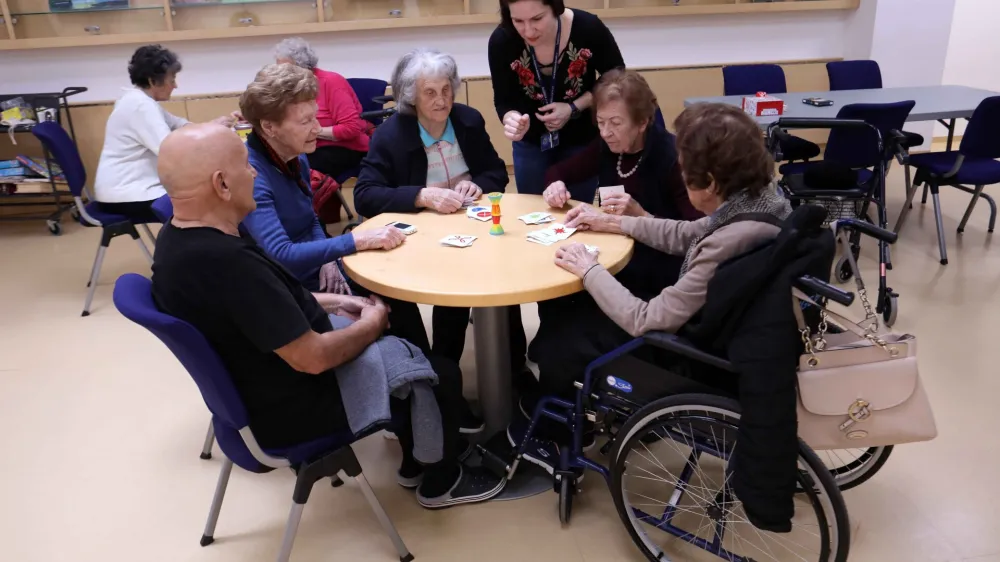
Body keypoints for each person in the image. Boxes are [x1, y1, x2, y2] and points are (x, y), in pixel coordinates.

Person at [150, 123, 505, 508]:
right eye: (244, 165)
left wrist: (334, 303)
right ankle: (442, 480)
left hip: (257, 386)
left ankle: (415, 461)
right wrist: (372, 324)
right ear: (221, 184)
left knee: (398, 344)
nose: (253, 172)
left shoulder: (177, 239)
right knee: (439, 373)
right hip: (294, 406)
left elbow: (263, 308)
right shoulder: (230, 264)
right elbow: (314, 357)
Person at [511, 103, 793, 473]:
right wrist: (616, 224)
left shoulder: (729, 242)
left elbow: (646, 319)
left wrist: (590, 269)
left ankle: (554, 434)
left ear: (708, 183)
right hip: (732, 332)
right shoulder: (763, 203)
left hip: (688, 354)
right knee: (577, 310)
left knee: (562, 330)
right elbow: (688, 232)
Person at [354, 48, 534, 395]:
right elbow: (365, 194)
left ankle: (514, 365)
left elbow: (496, 171)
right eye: (430, 93)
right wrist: (421, 196)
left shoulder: (468, 121)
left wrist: (477, 183)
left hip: (472, 224)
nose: (441, 100)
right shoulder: (390, 136)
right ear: (411, 97)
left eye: (446, 90)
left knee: (505, 279)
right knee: (453, 293)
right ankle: (444, 376)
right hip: (422, 234)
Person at [238, 63, 403, 295]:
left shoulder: (296, 155)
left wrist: (327, 258)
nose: (317, 129)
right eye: (306, 122)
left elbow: (310, 218)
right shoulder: (251, 175)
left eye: (315, 117)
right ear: (269, 127)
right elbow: (281, 253)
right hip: (285, 287)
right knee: (386, 297)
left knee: (393, 283)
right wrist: (355, 241)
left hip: (313, 266)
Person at [540, 68, 703, 301]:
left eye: (615, 123)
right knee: (556, 285)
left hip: (658, 271)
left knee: (571, 296)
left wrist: (641, 216)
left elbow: (696, 236)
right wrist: (554, 185)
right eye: (600, 122)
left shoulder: (672, 158)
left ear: (642, 122)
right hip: (614, 251)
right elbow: (559, 171)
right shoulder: (607, 147)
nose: (606, 133)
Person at [488, 0, 624, 199]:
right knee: (532, 212)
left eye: (537, 19)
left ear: (556, 8)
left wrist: (574, 107)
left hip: (581, 136)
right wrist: (513, 119)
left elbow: (615, 76)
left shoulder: (588, 27)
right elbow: (503, 99)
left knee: (576, 212)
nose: (528, 31)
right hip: (531, 141)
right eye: (517, 20)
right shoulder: (502, 40)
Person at [93, 44, 236, 223]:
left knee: (209, 195)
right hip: (128, 196)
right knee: (209, 200)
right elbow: (170, 152)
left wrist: (215, 126)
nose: (175, 85)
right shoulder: (140, 106)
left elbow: (179, 125)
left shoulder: (140, 101)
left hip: (126, 192)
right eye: (172, 79)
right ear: (153, 81)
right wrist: (214, 140)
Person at [273, 37, 371, 181]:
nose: (280, 74)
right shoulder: (288, 86)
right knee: (270, 165)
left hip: (342, 148)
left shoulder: (331, 82)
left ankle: (310, 203)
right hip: (304, 148)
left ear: (302, 67)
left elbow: (351, 128)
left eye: (285, 69)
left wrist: (313, 131)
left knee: (295, 171)